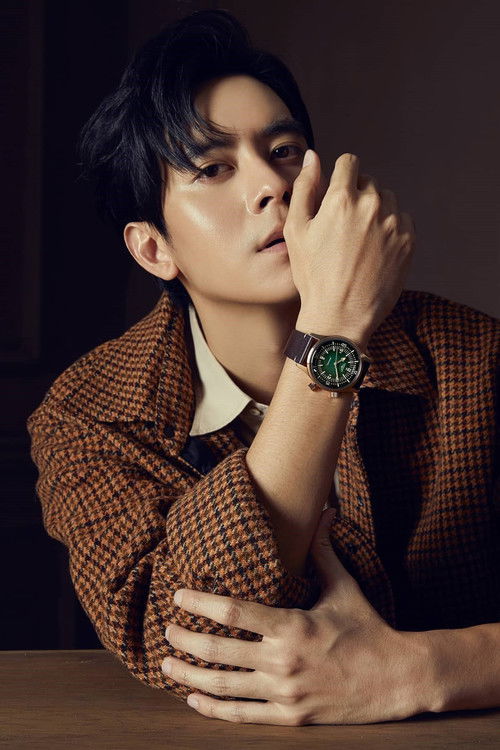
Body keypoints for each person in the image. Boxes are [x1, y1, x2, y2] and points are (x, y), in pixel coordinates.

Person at [27, 9, 500, 726]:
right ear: (154, 249)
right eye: (213, 168)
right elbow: (183, 641)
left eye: (284, 150)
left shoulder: (476, 360)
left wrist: (428, 670)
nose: (271, 185)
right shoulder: (89, 413)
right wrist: (332, 330)